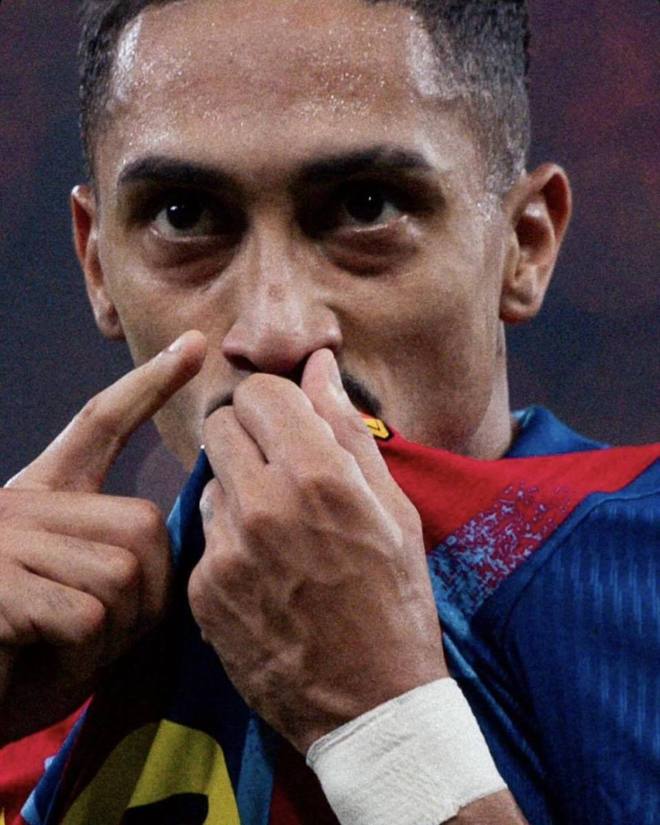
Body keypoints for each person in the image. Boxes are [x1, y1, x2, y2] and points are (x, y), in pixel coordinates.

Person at [0, 1, 657, 823]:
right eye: (184, 217)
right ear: (98, 265)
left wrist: (382, 725)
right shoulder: (37, 685)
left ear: (525, 245)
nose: (275, 329)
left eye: (367, 207)